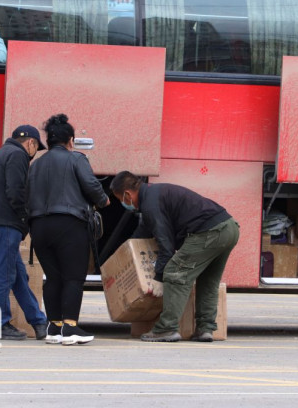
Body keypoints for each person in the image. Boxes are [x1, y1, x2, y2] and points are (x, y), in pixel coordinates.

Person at [109, 171, 239, 342]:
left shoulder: (150, 203)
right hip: (229, 228)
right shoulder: (153, 195)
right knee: (208, 280)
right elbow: (144, 232)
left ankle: (166, 328)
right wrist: (124, 253)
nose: (124, 203)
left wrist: (159, 277)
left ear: (127, 194)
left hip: (210, 231)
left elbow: (166, 246)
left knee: (175, 272)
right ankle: (205, 328)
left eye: (121, 199)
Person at [27, 114, 110, 345]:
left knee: (53, 277)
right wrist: (103, 200)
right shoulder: (77, 159)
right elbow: (91, 185)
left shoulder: (36, 165)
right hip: (69, 224)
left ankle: (54, 327)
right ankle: (71, 327)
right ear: (70, 140)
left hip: (39, 227)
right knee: (73, 277)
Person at [0, 124, 48, 340]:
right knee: (5, 275)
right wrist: (25, 220)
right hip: (5, 226)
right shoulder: (17, 156)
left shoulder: (2, 154)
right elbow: (16, 192)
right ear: (31, 143)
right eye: (36, 148)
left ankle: (38, 321)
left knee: (18, 276)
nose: (34, 153)